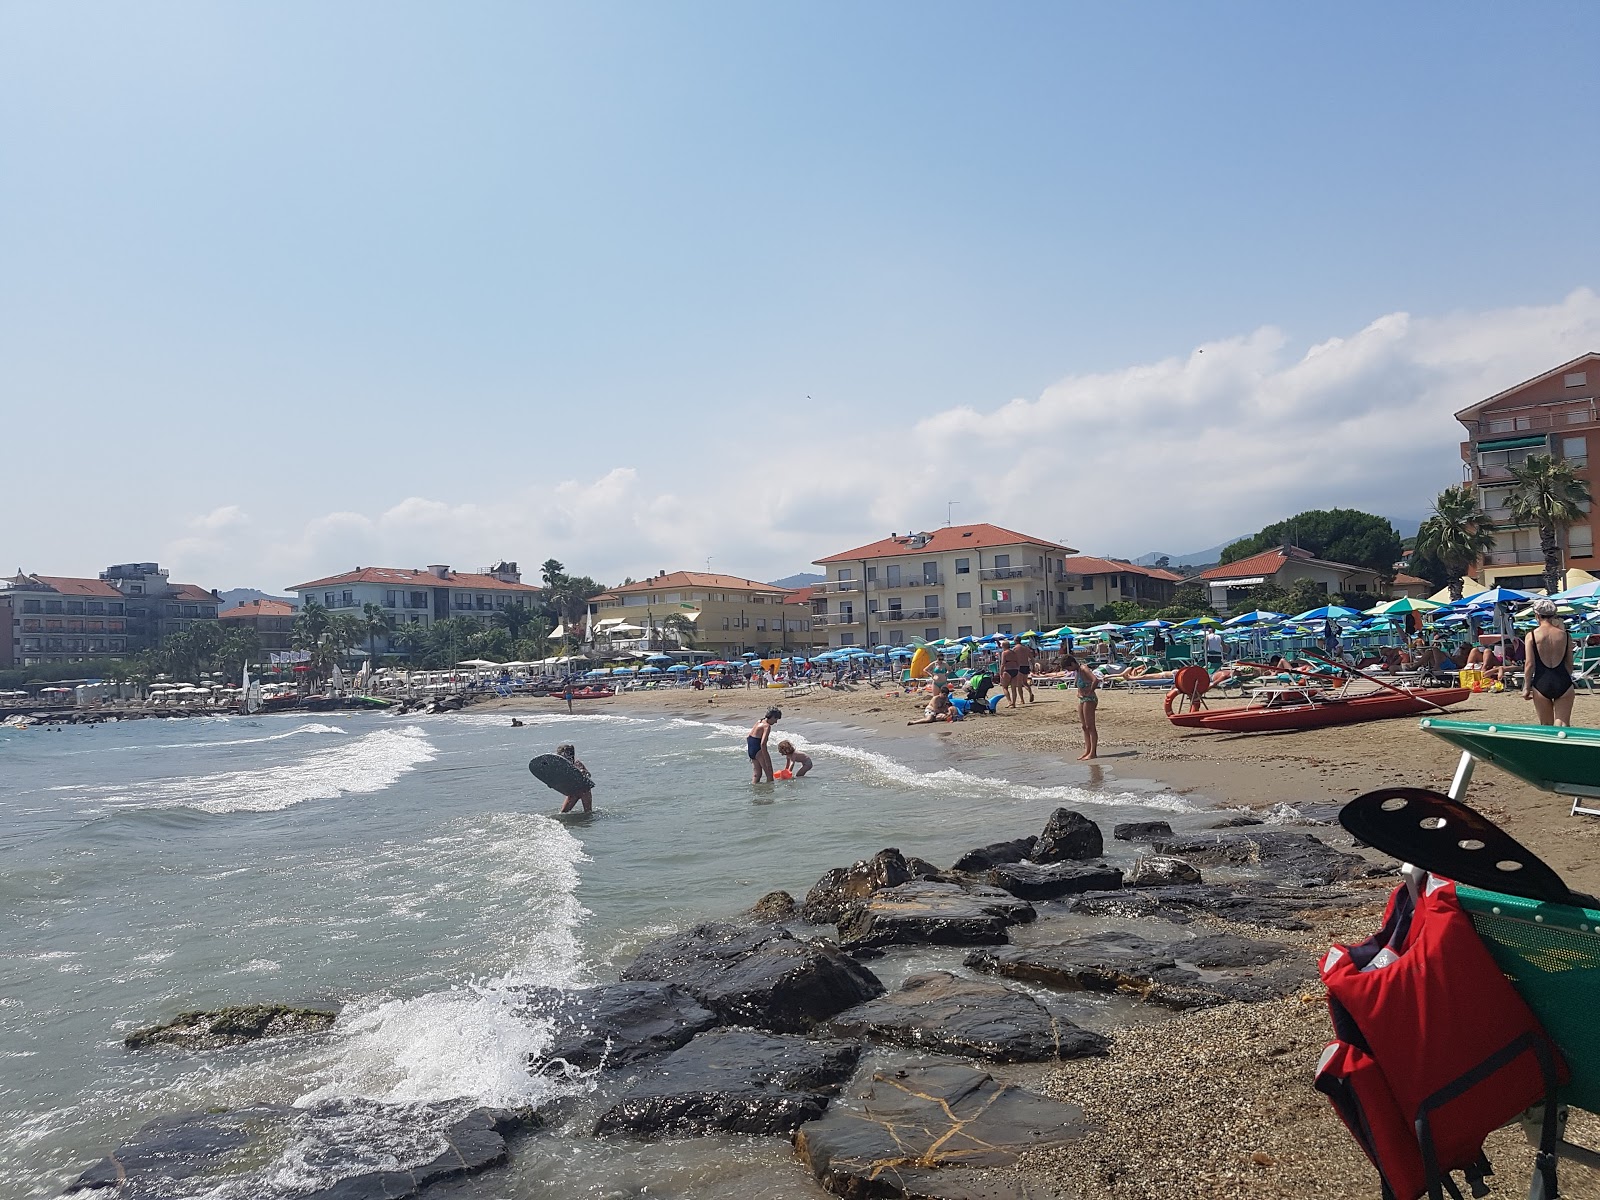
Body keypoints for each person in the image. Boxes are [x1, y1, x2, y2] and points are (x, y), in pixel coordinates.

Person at [1523, 598, 1576, 727]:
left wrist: (1526, 687)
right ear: (1554, 615)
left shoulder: (1532, 635)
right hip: (1562, 679)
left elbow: (1529, 664)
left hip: (1542, 682)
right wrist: (1565, 678)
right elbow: (1569, 664)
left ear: (1537, 615)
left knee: (1546, 725)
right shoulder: (1565, 635)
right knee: (1563, 724)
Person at [1063, 653, 1099, 760]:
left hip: (1090, 698)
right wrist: (1079, 692)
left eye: (1068, 667)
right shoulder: (1077, 671)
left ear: (1073, 663)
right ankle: (1087, 750)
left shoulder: (1083, 668)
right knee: (1084, 726)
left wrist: (1090, 691)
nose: (1069, 670)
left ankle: (1093, 752)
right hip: (1082, 699)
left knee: (1090, 726)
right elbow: (1079, 685)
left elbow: (1095, 680)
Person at [555, 742, 593, 813]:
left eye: (566, 756)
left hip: (585, 791)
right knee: (563, 813)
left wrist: (583, 772)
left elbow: (589, 775)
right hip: (572, 792)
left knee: (588, 813)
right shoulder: (560, 768)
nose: (565, 758)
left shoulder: (577, 764)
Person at [747, 707, 781, 782]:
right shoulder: (767, 726)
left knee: (757, 774)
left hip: (751, 748)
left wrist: (751, 751)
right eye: (776, 719)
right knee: (769, 773)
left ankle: (755, 791)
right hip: (758, 749)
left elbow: (748, 736)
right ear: (771, 717)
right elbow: (763, 743)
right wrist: (766, 757)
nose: (776, 722)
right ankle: (770, 792)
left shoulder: (759, 721)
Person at [998, 639, 1023, 707]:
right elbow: (1018, 662)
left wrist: (1000, 672)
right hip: (1015, 670)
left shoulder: (1004, 653)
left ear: (1004, 646)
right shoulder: (1014, 653)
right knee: (1013, 688)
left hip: (1007, 671)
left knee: (1005, 687)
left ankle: (1009, 701)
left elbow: (1003, 663)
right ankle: (1014, 704)